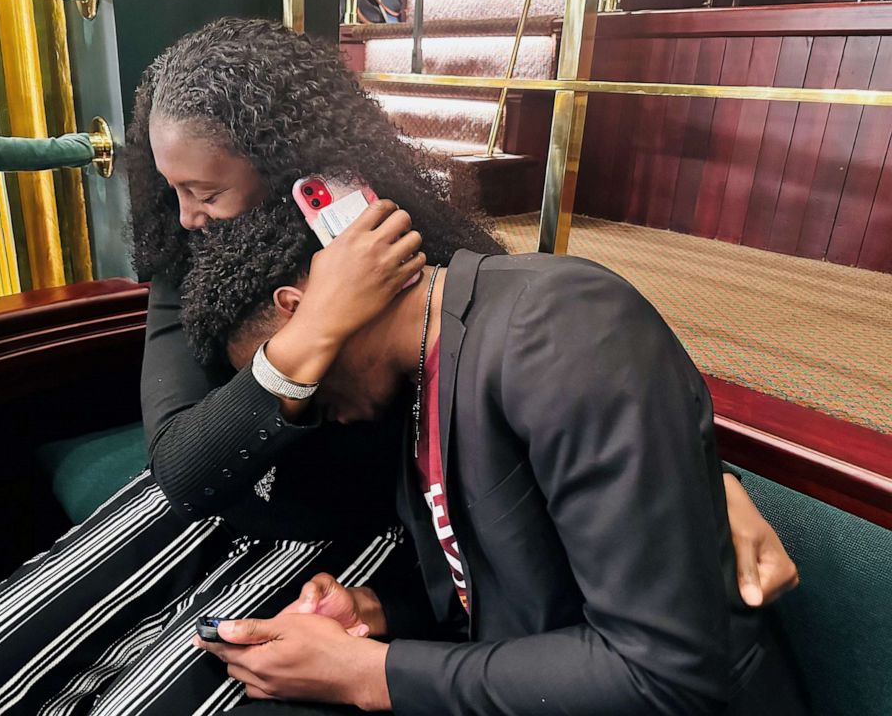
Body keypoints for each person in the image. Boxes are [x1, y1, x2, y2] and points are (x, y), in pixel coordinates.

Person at [0, 19, 795, 715]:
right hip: (224, 482)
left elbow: (541, 372)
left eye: (206, 192)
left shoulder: (418, 265)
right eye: (171, 187)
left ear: (300, 174)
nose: (183, 218)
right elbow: (182, 467)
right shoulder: (198, 259)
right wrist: (308, 340)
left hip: (360, 513)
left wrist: (691, 474)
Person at [184, 214, 809, 715]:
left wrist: (370, 676)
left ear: (300, 311)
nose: (312, 413)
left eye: (297, 384)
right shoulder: (423, 368)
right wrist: (373, 610)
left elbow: (664, 674)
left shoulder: (561, 325)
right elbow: (508, 583)